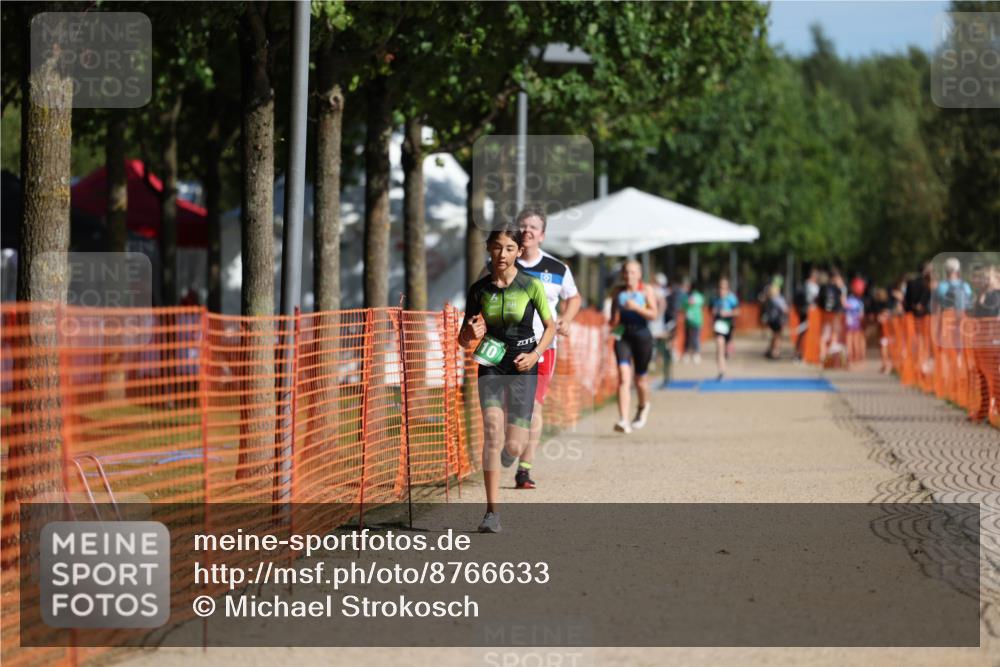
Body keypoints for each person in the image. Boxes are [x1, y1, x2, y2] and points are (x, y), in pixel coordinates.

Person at [458, 224, 556, 533]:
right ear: (489, 248)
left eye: (510, 248)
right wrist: (469, 334)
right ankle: (491, 513)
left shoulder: (531, 285)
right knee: (491, 430)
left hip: (523, 366)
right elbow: (464, 337)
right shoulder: (479, 290)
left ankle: (508, 453)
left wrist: (536, 354)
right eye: (498, 247)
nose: (503, 254)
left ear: (519, 251)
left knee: (514, 446)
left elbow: (550, 326)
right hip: (491, 363)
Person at [480, 206, 581, 490]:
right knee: (506, 412)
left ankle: (523, 467)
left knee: (533, 408)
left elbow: (574, 298)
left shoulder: (557, 269)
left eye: (533, 227)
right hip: (500, 348)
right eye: (523, 226)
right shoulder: (499, 262)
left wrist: (567, 319)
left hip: (541, 347)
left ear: (542, 235)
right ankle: (509, 448)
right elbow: (479, 293)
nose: (527, 231)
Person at [608, 260, 658, 434]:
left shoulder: (646, 290)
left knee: (640, 380)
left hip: (642, 336)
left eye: (633, 272)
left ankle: (643, 406)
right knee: (623, 377)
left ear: (639, 274)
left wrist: (636, 308)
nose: (629, 276)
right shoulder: (618, 292)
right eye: (626, 272)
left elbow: (654, 314)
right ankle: (623, 420)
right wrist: (613, 323)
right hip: (623, 337)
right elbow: (613, 317)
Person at [710, 277, 740, 380]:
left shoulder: (732, 298)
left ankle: (726, 355)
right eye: (720, 288)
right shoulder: (714, 298)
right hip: (718, 327)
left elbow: (738, 311)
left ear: (727, 289)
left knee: (726, 350)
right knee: (719, 345)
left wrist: (728, 313)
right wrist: (714, 313)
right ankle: (721, 371)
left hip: (729, 326)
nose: (721, 290)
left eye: (724, 288)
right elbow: (711, 311)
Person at [816, 269, 845, 362]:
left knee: (824, 335)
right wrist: (841, 287)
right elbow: (842, 302)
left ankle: (823, 355)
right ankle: (830, 357)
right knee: (833, 335)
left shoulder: (823, 287)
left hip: (824, 314)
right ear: (835, 278)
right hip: (834, 315)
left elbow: (818, 301)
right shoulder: (837, 289)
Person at [793, 268, 820, 362]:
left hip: (802, 312)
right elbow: (816, 298)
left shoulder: (803, 285)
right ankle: (804, 354)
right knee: (807, 333)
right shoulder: (813, 286)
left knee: (802, 332)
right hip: (810, 313)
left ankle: (798, 354)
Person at [762, 283, 788, 360]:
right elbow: (784, 309)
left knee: (775, 336)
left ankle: (770, 350)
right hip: (777, 320)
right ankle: (775, 352)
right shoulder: (777, 299)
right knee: (778, 337)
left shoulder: (770, 299)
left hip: (771, 320)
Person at [681, 279, 704, 364]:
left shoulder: (698, 296)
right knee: (687, 338)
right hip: (688, 321)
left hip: (697, 321)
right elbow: (683, 305)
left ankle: (696, 354)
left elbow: (699, 302)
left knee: (695, 338)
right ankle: (686, 354)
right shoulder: (686, 296)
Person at [845, 277, 866, 365]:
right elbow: (861, 314)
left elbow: (845, 308)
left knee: (850, 339)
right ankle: (856, 356)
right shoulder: (859, 302)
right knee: (855, 339)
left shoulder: (849, 299)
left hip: (849, 321)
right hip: (856, 321)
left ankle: (851, 356)